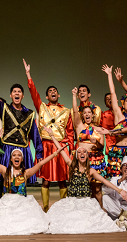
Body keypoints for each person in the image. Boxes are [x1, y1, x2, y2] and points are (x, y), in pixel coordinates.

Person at [0, 136, 66, 235]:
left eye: (19, 155)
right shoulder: (5, 171)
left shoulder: (26, 173)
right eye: (14, 155)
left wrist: (56, 153)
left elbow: (40, 164)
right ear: (11, 159)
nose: (16, 157)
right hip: (7, 203)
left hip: (22, 204)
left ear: (22, 159)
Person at [43, 126, 127, 234]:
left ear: (87, 156)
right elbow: (61, 149)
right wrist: (52, 136)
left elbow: (105, 181)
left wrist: (119, 190)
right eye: (79, 152)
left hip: (86, 203)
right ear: (76, 156)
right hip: (71, 202)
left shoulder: (90, 171)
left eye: (84, 152)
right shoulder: (71, 166)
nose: (82, 153)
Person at [0, 60, 43, 188]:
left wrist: (39, 154)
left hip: (23, 150)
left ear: (23, 96)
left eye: (19, 92)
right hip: (7, 149)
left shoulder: (30, 114)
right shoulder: (4, 108)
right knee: (7, 183)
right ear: (10, 95)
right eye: (14, 91)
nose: (16, 93)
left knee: (21, 186)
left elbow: (35, 135)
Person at [23, 59, 73, 212]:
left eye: (54, 91)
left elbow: (70, 132)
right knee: (45, 181)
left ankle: (62, 210)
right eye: (49, 91)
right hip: (46, 147)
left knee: (63, 181)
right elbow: (33, 93)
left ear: (58, 94)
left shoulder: (66, 111)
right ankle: (45, 209)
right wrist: (28, 74)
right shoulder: (42, 107)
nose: (52, 92)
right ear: (46, 97)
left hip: (61, 147)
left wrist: (68, 148)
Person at [101, 64, 127, 177]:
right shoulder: (119, 115)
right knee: (117, 178)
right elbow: (113, 93)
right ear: (123, 104)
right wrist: (109, 75)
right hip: (118, 150)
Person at [70, 87, 107, 207]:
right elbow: (75, 111)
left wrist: (95, 142)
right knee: (84, 188)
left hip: (96, 159)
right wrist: (74, 96)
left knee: (97, 189)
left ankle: (100, 211)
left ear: (93, 115)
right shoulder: (79, 126)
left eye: (89, 112)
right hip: (83, 160)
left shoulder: (99, 129)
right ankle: (85, 211)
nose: (87, 114)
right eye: (84, 113)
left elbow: (102, 146)